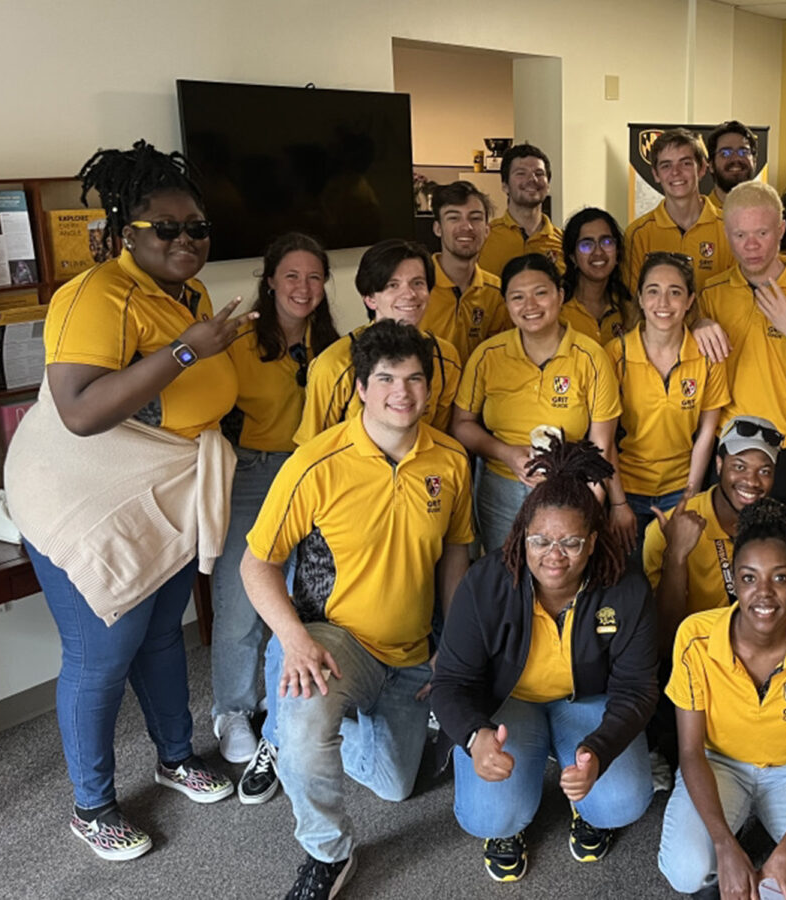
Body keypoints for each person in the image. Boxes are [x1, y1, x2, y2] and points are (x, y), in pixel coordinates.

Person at [5, 140, 248, 860]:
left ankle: (174, 757)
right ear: (123, 231)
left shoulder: (189, 293)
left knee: (160, 634)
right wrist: (185, 353)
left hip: (164, 492)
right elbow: (78, 411)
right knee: (102, 649)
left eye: (197, 227)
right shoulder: (91, 296)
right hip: (90, 496)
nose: (185, 241)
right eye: (165, 229)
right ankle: (92, 805)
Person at [241, 321, 473, 899]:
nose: (404, 392)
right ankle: (327, 851)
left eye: (416, 378)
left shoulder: (451, 459)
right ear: (362, 389)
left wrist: (455, 650)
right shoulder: (317, 463)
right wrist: (293, 640)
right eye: (387, 378)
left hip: (413, 649)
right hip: (335, 640)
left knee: (397, 788)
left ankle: (324, 728)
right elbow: (256, 565)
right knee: (301, 724)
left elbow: (456, 554)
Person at [431, 439, 657, 883]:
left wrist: (600, 748)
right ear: (521, 536)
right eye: (541, 540)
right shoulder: (486, 583)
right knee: (489, 816)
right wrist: (476, 738)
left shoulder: (626, 587)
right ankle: (509, 828)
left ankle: (586, 806)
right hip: (507, 705)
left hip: (586, 701)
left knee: (622, 802)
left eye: (571, 542)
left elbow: (637, 688)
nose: (554, 555)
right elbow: (451, 681)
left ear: (593, 542)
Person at [657, 497, 786, 899]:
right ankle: (734, 866)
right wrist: (722, 843)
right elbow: (691, 751)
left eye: (780, 578)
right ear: (733, 580)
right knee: (686, 869)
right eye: (749, 578)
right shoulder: (695, 636)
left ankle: (773, 865)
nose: (764, 594)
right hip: (719, 763)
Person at [213, 233, 339, 771]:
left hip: (313, 474)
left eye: (314, 277)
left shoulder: (333, 343)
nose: (303, 287)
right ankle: (233, 710)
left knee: (298, 597)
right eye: (291, 276)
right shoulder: (240, 341)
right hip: (254, 472)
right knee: (241, 598)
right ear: (269, 280)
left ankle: (279, 696)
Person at [452, 253, 629, 555]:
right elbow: (461, 424)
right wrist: (506, 454)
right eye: (517, 297)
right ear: (506, 304)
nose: (530, 306)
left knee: (561, 573)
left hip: (571, 486)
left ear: (560, 295)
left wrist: (598, 504)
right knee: (506, 570)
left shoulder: (590, 356)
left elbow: (602, 444)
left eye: (541, 293)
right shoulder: (487, 355)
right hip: (500, 486)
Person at [695, 181, 786, 512]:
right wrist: (696, 324)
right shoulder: (711, 294)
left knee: (784, 555)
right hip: (727, 444)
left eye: (762, 233)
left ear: (781, 230)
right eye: (740, 235)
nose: (751, 245)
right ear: (726, 234)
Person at [643, 415, 786, 648]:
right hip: (697, 656)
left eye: (764, 471)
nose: (751, 481)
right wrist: (675, 556)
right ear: (719, 465)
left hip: (767, 650)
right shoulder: (668, 528)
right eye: (739, 467)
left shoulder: (783, 522)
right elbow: (665, 641)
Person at [607, 251, 729, 551]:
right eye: (653, 291)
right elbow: (604, 439)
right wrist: (617, 503)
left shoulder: (706, 356)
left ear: (689, 301)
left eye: (675, 292)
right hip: (626, 489)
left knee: (676, 581)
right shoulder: (615, 354)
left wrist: (690, 496)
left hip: (680, 488)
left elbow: (705, 434)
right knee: (630, 584)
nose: (663, 303)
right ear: (639, 298)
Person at [294, 238, 461, 444]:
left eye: (418, 283)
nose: (409, 294)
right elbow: (311, 448)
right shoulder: (334, 364)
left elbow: (438, 436)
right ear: (370, 298)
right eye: (392, 285)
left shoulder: (446, 358)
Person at [624, 128, 734, 295]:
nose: (676, 172)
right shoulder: (638, 234)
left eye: (685, 163)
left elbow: (738, 295)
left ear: (702, 168)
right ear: (656, 174)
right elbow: (632, 302)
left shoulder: (730, 228)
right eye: (666, 165)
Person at [423, 180, 511, 363]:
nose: (467, 227)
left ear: (487, 230)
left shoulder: (496, 292)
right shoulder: (416, 285)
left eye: (475, 218)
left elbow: (499, 355)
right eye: (454, 218)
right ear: (438, 228)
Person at [478, 143, 564, 279]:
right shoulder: (484, 237)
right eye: (521, 173)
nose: (532, 179)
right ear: (505, 186)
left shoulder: (564, 242)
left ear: (548, 186)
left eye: (539, 173)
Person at [559, 207, 633, 344]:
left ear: (617, 252)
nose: (598, 252)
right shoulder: (558, 310)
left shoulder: (629, 310)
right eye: (586, 245)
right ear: (572, 257)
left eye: (606, 242)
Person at [704, 120, 758, 211]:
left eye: (744, 152)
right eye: (725, 153)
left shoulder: (769, 211)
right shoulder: (697, 215)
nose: (736, 158)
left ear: (754, 161)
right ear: (711, 165)